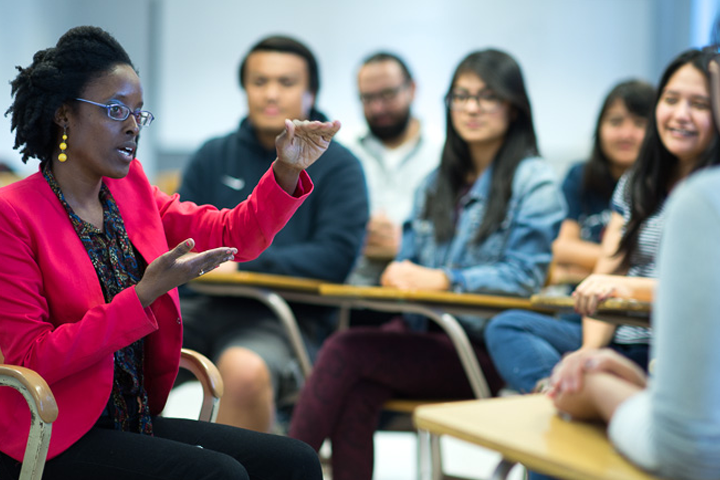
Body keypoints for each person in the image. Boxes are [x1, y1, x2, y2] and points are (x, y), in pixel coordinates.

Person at [0, 26, 336, 480]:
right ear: (64, 114)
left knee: (294, 460)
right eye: (116, 109)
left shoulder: (130, 189)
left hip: (130, 418)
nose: (133, 125)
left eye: (140, 113)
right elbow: (30, 360)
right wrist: (140, 298)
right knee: (220, 474)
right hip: (55, 431)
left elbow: (231, 232)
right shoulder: (13, 214)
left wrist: (286, 170)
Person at [288, 49, 566, 480]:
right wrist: (398, 268)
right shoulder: (436, 183)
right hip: (426, 333)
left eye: (486, 97)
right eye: (461, 96)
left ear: (513, 107)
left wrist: (443, 278)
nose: (471, 107)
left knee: (345, 350)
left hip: (482, 346)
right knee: (359, 391)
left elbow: (523, 278)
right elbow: (409, 262)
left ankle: (280, 470)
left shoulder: (535, 182)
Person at [177, 35, 368, 433]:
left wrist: (240, 267)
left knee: (241, 373)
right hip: (199, 307)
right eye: (259, 81)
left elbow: (334, 258)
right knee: (121, 351)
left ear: (311, 91)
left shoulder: (341, 166)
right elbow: (178, 239)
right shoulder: (212, 154)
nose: (271, 94)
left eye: (286, 82)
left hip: (284, 316)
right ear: (244, 88)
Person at [549, 44, 720, 480]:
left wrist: (626, 287)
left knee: (570, 402)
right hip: (629, 342)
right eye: (671, 99)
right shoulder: (637, 182)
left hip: (674, 361)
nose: (680, 114)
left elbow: (693, 293)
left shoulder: (705, 198)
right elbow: (604, 269)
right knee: (517, 330)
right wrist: (590, 353)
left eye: (700, 104)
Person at [483, 79, 655, 393]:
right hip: (586, 309)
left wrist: (610, 270)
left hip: (638, 320)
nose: (626, 133)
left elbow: (602, 265)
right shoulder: (584, 176)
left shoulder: (666, 187)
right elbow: (561, 248)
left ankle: (568, 394)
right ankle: (557, 393)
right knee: (507, 325)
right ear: (599, 128)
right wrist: (610, 265)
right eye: (616, 122)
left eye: (640, 123)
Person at [346, 52, 442, 286]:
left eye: (388, 94)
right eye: (367, 98)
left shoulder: (443, 154)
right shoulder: (345, 153)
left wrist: (406, 243)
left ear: (412, 89)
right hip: (351, 290)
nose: (378, 108)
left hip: (421, 293)